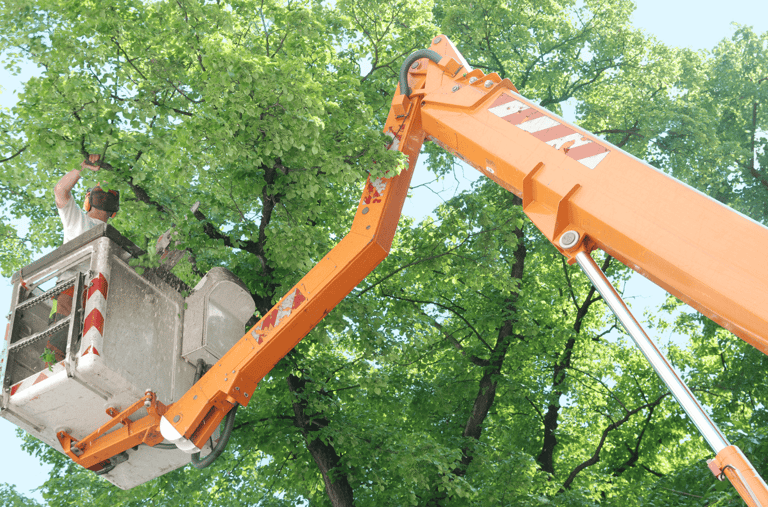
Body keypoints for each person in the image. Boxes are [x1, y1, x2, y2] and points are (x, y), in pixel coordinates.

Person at [55, 153, 120, 244]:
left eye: (109, 190)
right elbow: (61, 190)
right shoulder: (77, 220)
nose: (105, 188)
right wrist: (83, 166)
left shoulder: (115, 240)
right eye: (101, 188)